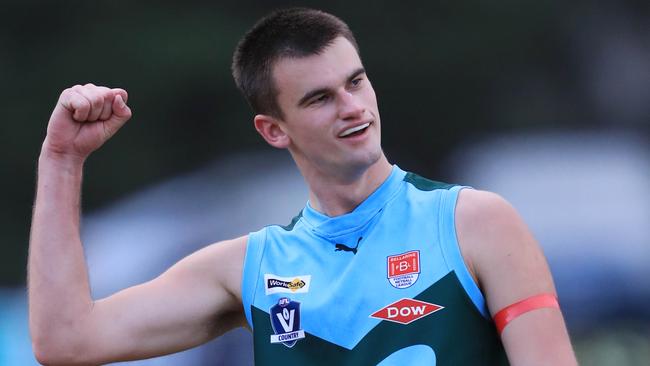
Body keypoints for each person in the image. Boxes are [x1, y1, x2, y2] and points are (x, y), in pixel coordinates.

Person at [28, 7, 577, 366]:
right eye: (320, 99)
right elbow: (66, 339)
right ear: (273, 130)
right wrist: (61, 161)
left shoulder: (474, 222)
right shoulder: (250, 267)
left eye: (356, 82)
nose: (354, 108)